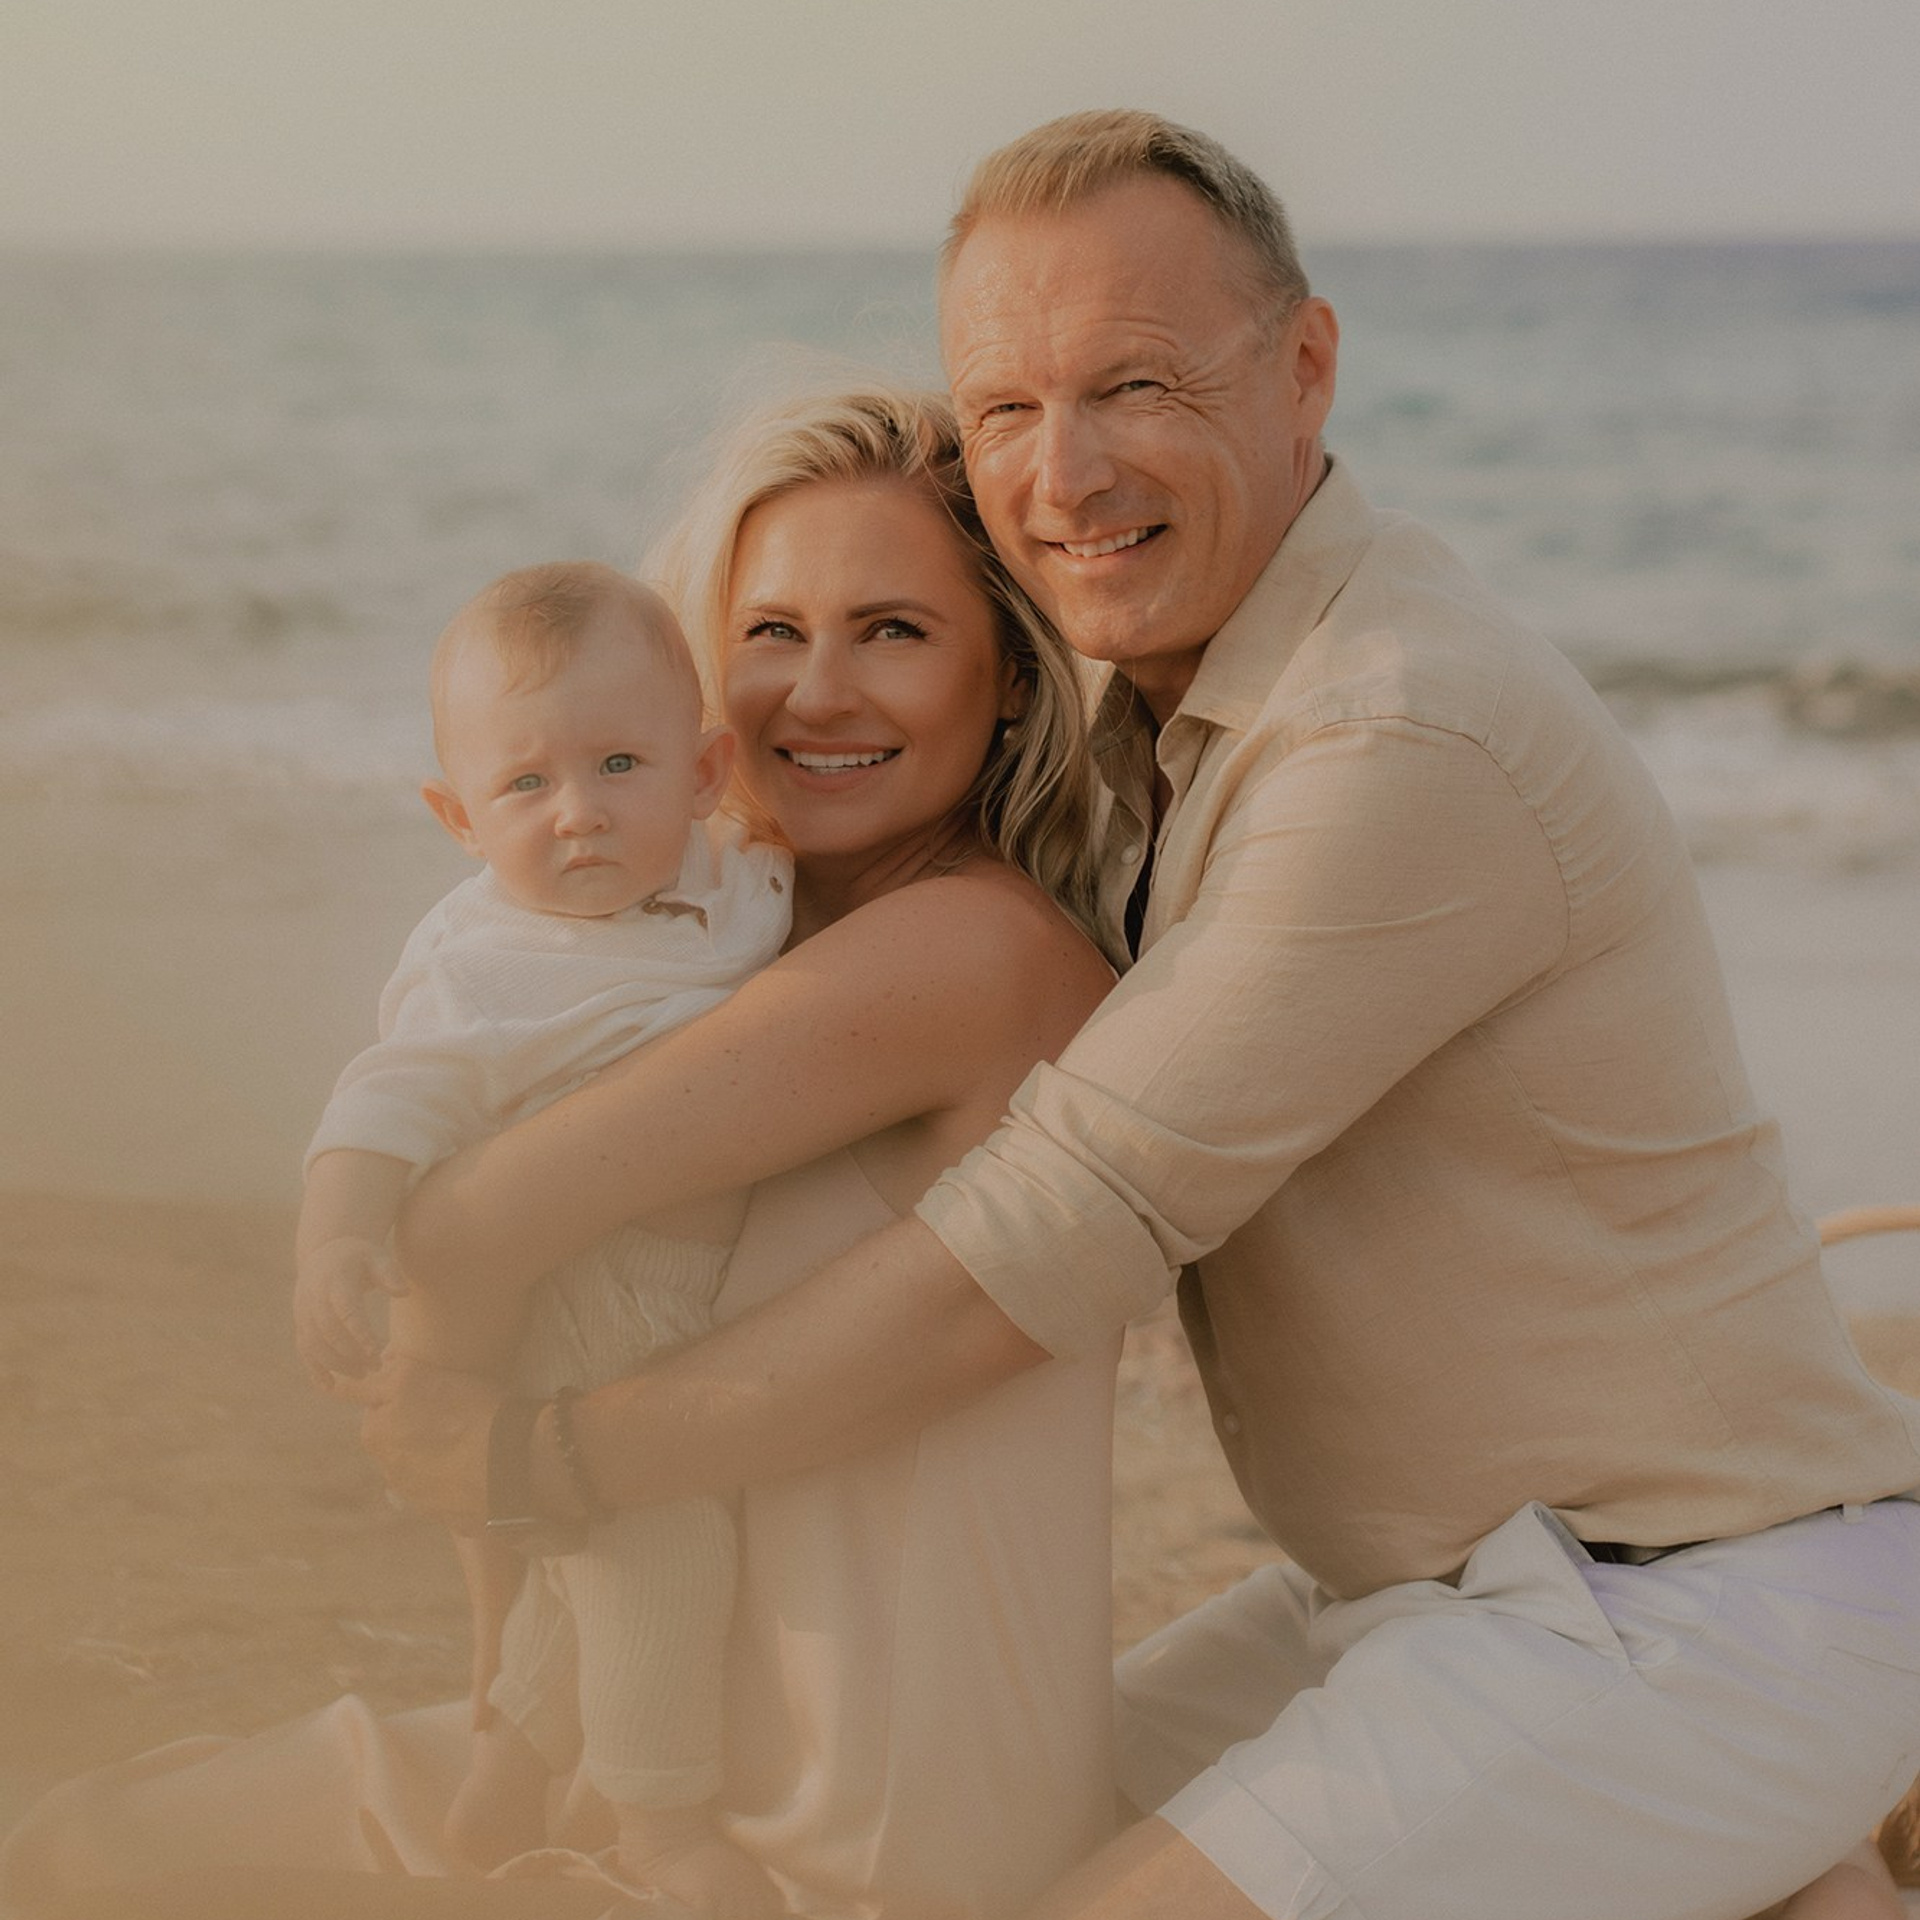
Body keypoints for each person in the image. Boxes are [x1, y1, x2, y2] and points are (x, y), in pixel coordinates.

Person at [361, 112, 1920, 1920]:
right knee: (991, 1859)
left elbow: (1045, 1237)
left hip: (1686, 1595)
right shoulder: (1138, 714)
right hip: (1397, 1599)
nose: (1064, 472)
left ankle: (1765, 1804)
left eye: (1137, 383)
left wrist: (557, 1455)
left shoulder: (1400, 736)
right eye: (1006, 412)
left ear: (1307, 367)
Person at [0, 385, 1119, 1920]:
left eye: (896, 632)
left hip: (835, 1819)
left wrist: (483, 1454)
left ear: (1009, 676)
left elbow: (466, 1227)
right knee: (85, 1835)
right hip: (653, 1713)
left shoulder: (972, 951)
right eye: (773, 632)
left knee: (73, 1875)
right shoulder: (733, 927)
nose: (817, 693)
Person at [294, 561, 791, 1911]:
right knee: (657, 1548)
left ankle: (507, 1767)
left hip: (699, 1286)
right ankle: (659, 1826)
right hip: (591, 1305)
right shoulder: (486, 965)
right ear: (457, 815)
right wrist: (335, 1236)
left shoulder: (740, 877)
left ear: (702, 772)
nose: (577, 815)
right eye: (525, 787)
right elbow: (386, 1094)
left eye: (618, 764)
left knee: (589, 1570)